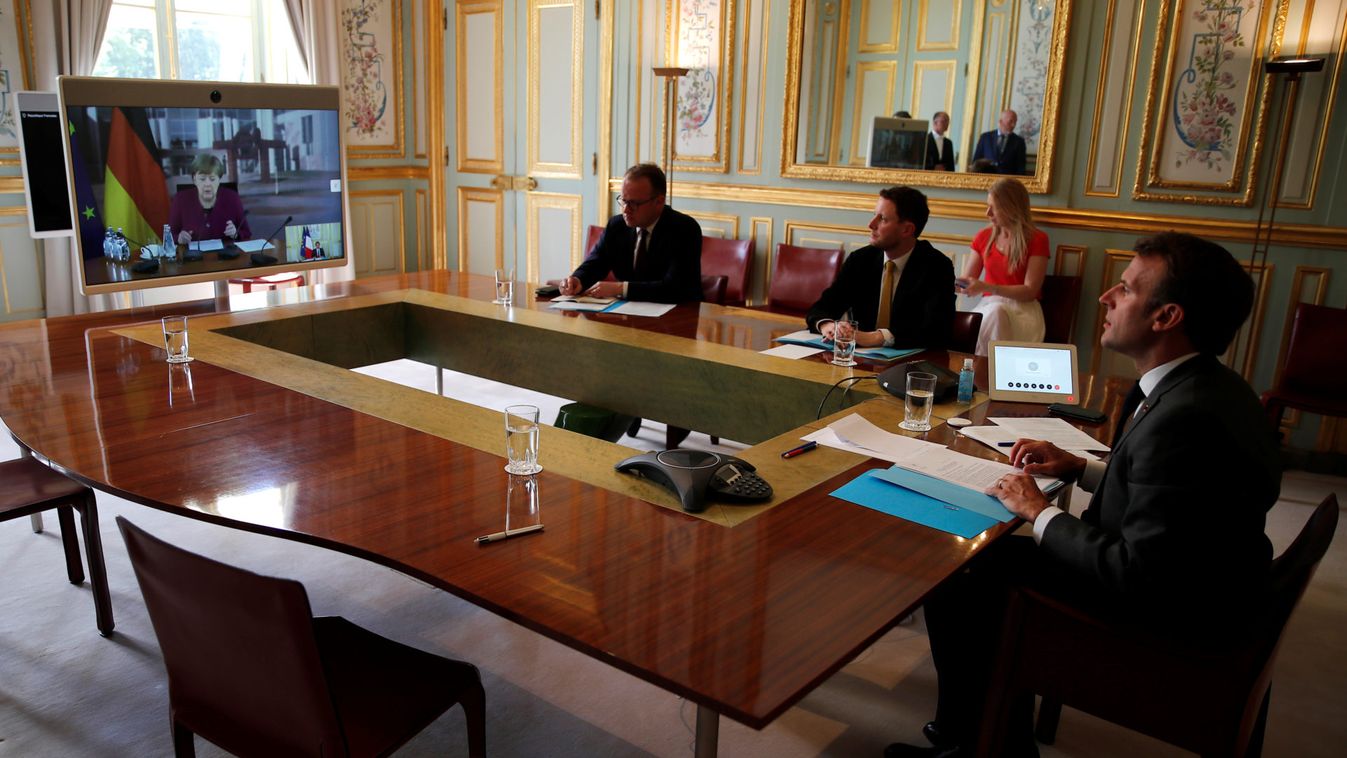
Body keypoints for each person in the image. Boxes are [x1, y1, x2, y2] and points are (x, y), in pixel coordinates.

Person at [885, 232, 1281, 758]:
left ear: (1166, 317)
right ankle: (975, 732)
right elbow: (1169, 492)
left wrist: (1039, 510)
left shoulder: (1185, 418)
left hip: (1167, 612)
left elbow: (1136, 573)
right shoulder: (1209, 386)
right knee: (981, 567)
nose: (1106, 298)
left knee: (967, 574)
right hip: (1204, 578)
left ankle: (986, 746)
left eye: (1126, 288)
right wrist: (1083, 468)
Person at [805, 186, 955, 349]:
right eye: (873, 215)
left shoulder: (937, 266)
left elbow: (937, 330)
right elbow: (823, 307)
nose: (871, 224)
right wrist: (828, 326)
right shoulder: (860, 259)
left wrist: (877, 337)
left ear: (907, 229)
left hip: (913, 366)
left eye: (882, 219)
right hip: (859, 360)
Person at [560, 163, 702, 303]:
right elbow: (596, 262)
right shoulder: (617, 225)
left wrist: (621, 288)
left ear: (659, 201)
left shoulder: (684, 229)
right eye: (623, 201)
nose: (626, 210)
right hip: (627, 313)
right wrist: (577, 280)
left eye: (634, 204)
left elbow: (675, 288)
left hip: (677, 316)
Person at [956, 178, 1049, 354]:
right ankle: (987, 374)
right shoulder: (983, 237)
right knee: (995, 312)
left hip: (1023, 312)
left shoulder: (1037, 239)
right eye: (987, 206)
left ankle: (981, 372)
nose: (987, 213)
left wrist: (988, 287)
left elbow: (1030, 291)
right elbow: (965, 284)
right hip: (989, 307)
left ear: (1011, 207)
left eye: (994, 207)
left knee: (997, 313)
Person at [168, 154, 251, 244]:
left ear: (219, 180)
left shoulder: (232, 197)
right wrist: (178, 238)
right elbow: (170, 235)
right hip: (193, 256)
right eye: (202, 179)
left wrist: (236, 233)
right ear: (194, 180)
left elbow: (246, 232)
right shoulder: (181, 199)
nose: (207, 184)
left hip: (226, 256)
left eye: (212, 179)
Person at [970, 110, 1027, 175]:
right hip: (986, 178)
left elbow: (1021, 168)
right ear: (1001, 121)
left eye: (1015, 122)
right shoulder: (985, 137)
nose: (1013, 125)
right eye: (1011, 121)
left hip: (1007, 181)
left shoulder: (1019, 142)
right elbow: (976, 161)